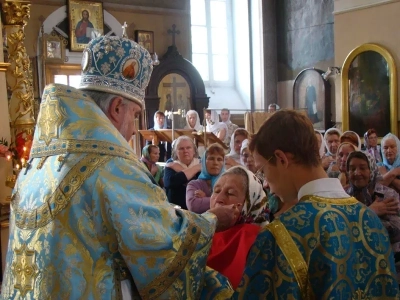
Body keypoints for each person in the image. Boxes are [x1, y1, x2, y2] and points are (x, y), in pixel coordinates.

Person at [1, 35, 239, 299]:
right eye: (135, 115)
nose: (131, 130)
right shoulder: (112, 167)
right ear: (116, 108)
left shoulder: (39, 162)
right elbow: (162, 247)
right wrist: (213, 220)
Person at [232, 110, 399, 299]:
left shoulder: (280, 236)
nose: (265, 183)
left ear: (281, 159)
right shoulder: (370, 220)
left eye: (263, 171)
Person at [207, 166, 269, 289]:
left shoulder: (257, 240)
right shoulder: (201, 228)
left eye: (230, 193)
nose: (219, 199)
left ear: (249, 202)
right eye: (216, 191)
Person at [346, 151, 400, 282]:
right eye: (352, 168)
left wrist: (357, 220)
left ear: (372, 169)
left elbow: (396, 231)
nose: (357, 173)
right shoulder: (343, 196)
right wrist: (369, 212)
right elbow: (343, 231)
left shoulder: (387, 195)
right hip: (354, 264)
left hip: (389, 262)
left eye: (363, 168)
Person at [164, 136, 201, 209]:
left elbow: (203, 185)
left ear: (194, 151)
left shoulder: (201, 163)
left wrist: (181, 171)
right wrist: (197, 168)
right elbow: (170, 182)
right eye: (181, 148)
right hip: (176, 209)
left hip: (198, 209)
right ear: (176, 152)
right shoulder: (171, 163)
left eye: (188, 148)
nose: (185, 151)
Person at [186, 143, 225, 213]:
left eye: (219, 159)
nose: (215, 163)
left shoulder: (227, 184)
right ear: (204, 162)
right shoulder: (194, 184)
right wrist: (220, 201)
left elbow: (232, 203)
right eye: (211, 158)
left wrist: (205, 198)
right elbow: (193, 206)